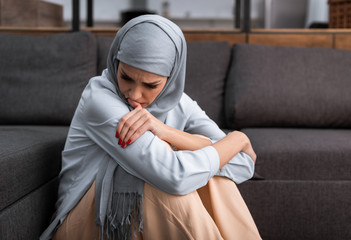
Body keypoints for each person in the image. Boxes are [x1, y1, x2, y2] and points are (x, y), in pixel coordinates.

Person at [40, 15, 261, 240]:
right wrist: (235, 141)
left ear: (171, 77)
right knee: (164, 182)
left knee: (212, 176)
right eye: (126, 77)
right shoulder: (99, 100)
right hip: (81, 222)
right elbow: (175, 177)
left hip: (134, 219)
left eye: (150, 85)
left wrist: (167, 132)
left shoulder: (180, 103)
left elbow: (243, 166)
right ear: (115, 63)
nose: (135, 95)